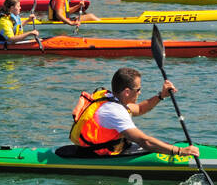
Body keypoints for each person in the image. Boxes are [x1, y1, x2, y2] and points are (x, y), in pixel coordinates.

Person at [69, 67, 199, 159]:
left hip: (110, 149)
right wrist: (179, 151)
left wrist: (161, 96)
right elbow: (144, 141)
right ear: (126, 91)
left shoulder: (111, 97)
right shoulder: (114, 111)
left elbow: (140, 109)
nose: (140, 93)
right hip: (97, 155)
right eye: (138, 89)